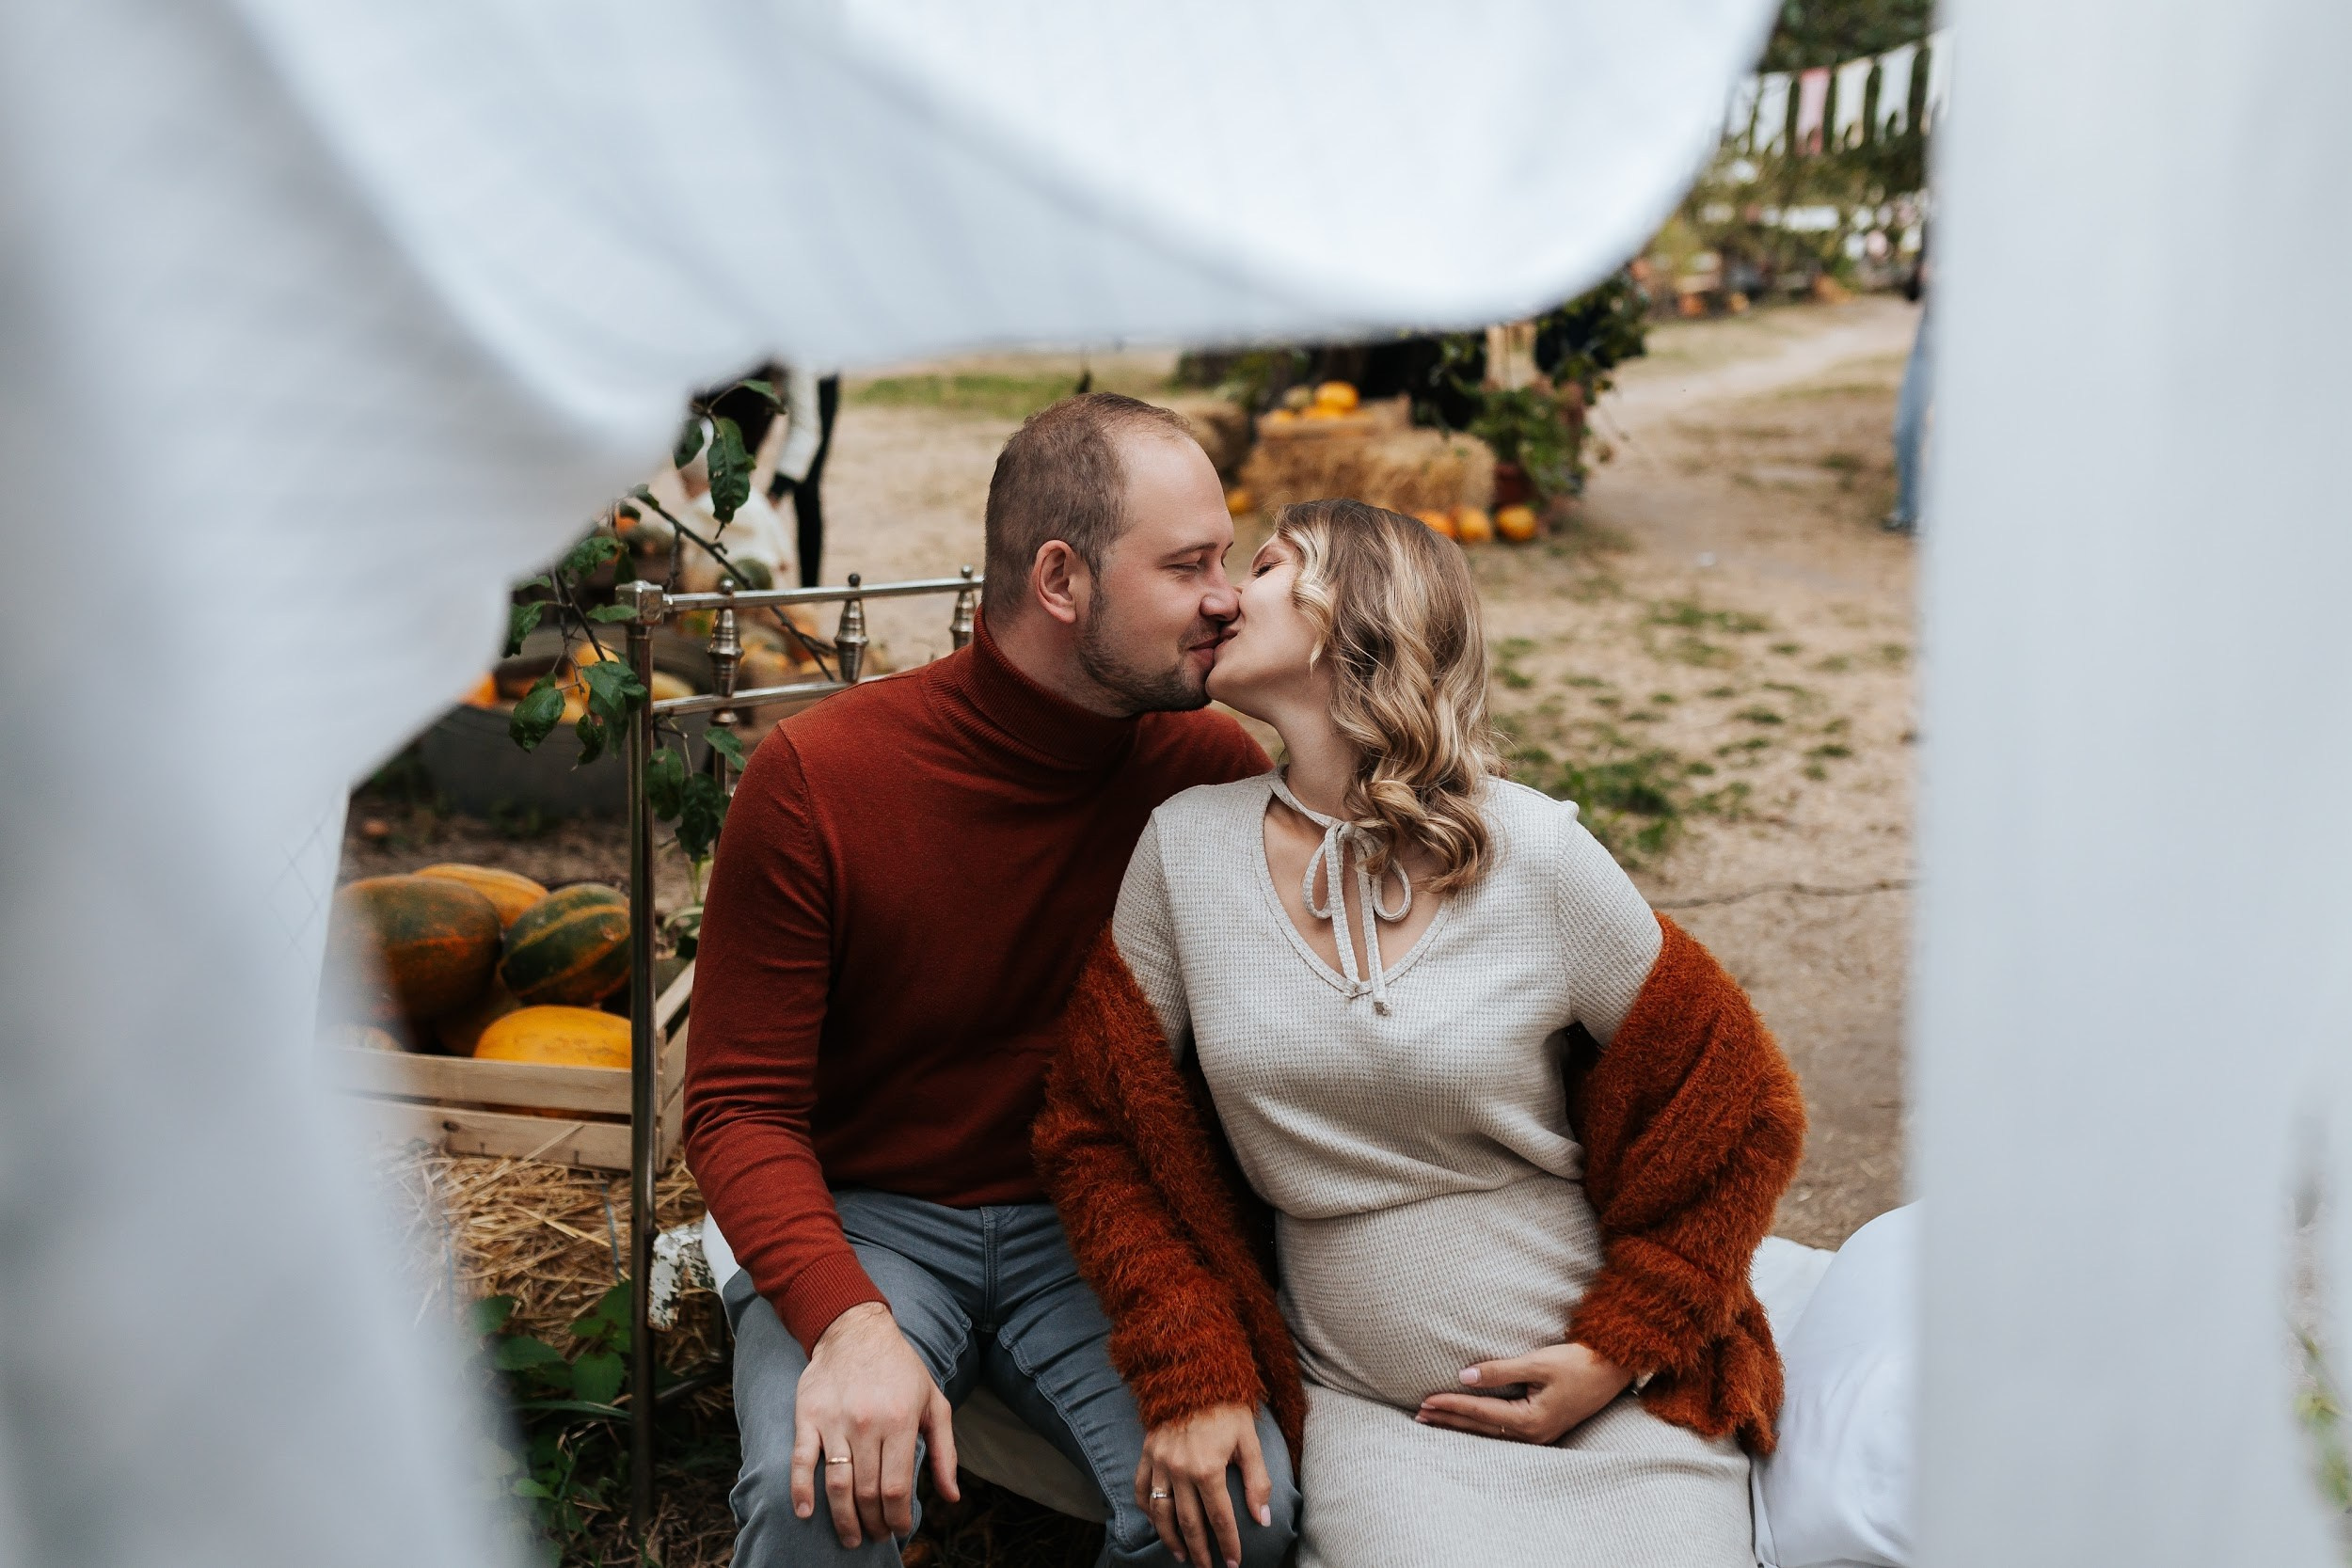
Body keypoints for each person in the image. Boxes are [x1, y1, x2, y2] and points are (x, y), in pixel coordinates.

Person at [1035, 499, 1807, 1567]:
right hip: (1377, 1413)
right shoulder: (1183, 852)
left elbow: (1741, 1107)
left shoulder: (1532, 851)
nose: (1223, 595)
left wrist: (1616, 1348)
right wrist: (1194, 1368)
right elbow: (1096, 1131)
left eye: (1264, 566)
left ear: (1355, 609)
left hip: (1612, 1402)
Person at [684, 393, 1300, 1567]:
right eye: (1188, 565)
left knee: (1243, 1518)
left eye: (1227, 557)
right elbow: (735, 1107)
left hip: (1098, 1225)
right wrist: (847, 1321)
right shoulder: (820, 778)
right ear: (1061, 580)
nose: (1227, 594)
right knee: (814, 1502)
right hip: (869, 1218)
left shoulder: (1208, 769)